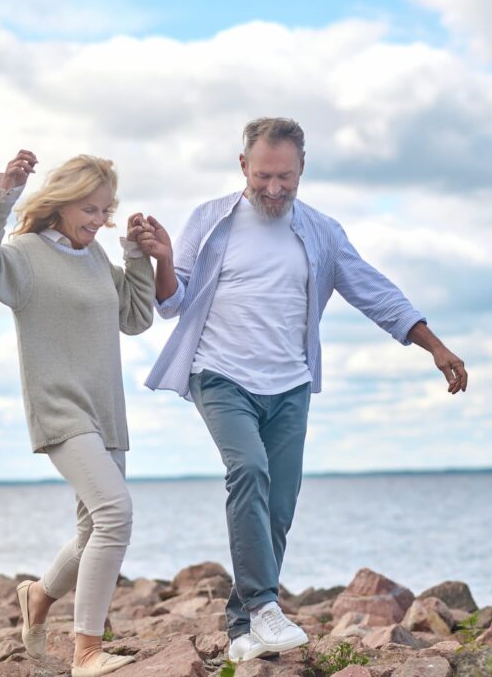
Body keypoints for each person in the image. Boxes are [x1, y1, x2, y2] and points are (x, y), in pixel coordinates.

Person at [139, 118, 468, 663]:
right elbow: (172, 303)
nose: (273, 188)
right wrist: (163, 258)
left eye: (285, 178)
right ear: (243, 165)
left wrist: (433, 345)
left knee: (280, 506)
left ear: (301, 170)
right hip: (219, 373)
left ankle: (243, 629)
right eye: (263, 175)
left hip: (289, 382)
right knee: (248, 470)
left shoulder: (320, 232)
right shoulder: (210, 220)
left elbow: (373, 290)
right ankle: (267, 606)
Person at [0, 149, 165, 677]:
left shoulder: (97, 257)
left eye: (106, 212)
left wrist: (134, 255)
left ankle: (37, 598)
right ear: (62, 201)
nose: (98, 221)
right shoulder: (24, 254)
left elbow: (137, 318)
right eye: (91, 210)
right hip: (60, 411)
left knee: (90, 532)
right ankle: (86, 651)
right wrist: (2, 198)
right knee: (115, 514)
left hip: (106, 415)